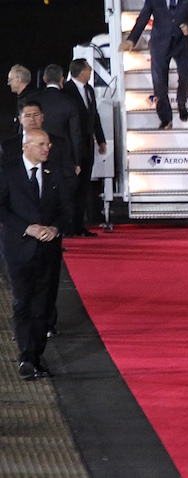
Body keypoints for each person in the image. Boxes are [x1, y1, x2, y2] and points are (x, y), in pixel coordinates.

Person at [0, 129, 73, 380]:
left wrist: (55, 228)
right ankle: (26, 357)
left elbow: (67, 209)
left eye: (48, 144)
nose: (47, 149)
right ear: (26, 146)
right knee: (22, 302)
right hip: (18, 250)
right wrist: (26, 228)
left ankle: (35, 355)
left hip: (48, 251)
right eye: (41, 144)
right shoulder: (8, 171)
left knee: (42, 305)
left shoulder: (55, 174)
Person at [119, 0, 188, 130]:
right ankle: (165, 118)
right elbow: (144, 17)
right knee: (159, 81)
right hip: (160, 42)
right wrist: (131, 40)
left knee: (186, 75)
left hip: (183, 42)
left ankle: (181, 102)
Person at [63, 59, 107, 237]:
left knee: (83, 188)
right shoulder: (66, 91)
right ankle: (67, 226)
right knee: (70, 189)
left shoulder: (89, 90)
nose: (91, 73)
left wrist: (101, 140)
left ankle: (79, 225)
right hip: (72, 148)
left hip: (87, 146)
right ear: (81, 72)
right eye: (89, 70)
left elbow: (94, 116)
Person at [30, 64, 82, 168]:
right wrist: (77, 162)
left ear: (44, 79)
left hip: (36, 151)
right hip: (63, 155)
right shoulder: (70, 102)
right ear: (62, 79)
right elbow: (75, 135)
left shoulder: (33, 100)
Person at [6, 65, 36, 134]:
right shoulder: (24, 98)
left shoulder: (30, 101)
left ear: (18, 80)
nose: (8, 83)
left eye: (10, 80)